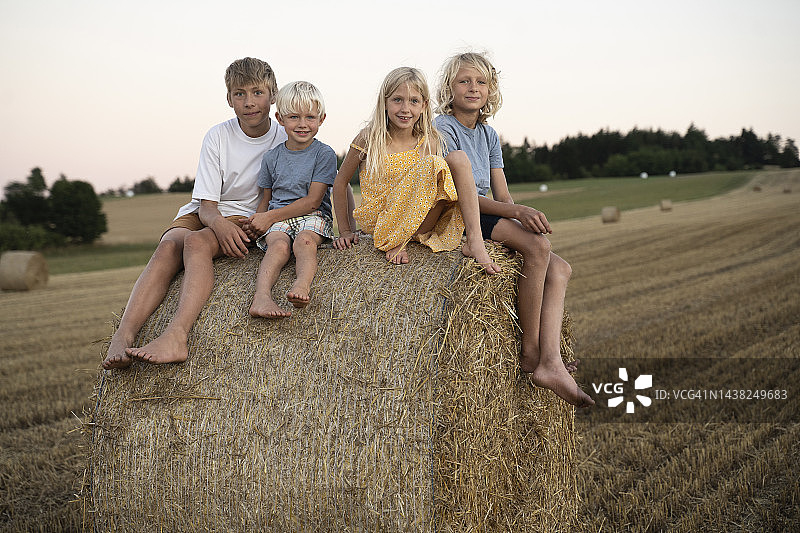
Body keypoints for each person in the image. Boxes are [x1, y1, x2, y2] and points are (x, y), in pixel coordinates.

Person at [101, 57, 287, 368]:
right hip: (208, 211)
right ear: (229, 99)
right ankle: (123, 336)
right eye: (239, 94)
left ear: (273, 94)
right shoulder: (218, 136)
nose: (249, 102)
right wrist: (220, 227)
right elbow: (207, 207)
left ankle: (176, 335)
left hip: (250, 216)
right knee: (168, 247)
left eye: (257, 92)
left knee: (194, 245)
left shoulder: (284, 135)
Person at [434, 52, 593, 407]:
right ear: (449, 88)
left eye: (480, 82)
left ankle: (550, 358)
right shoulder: (442, 128)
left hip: (486, 210)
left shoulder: (489, 136)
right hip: (458, 214)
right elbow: (465, 195)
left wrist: (524, 215)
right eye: (464, 81)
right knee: (537, 250)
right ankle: (531, 351)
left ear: (491, 90)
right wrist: (516, 211)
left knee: (560, 267)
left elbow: (502, 193)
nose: (473, 88)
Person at [331, 66, 500, 274]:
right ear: (384, 102)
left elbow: (434, 193)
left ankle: (475, 240)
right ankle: (395, 239)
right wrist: (345, 230)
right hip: (381, 222)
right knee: (434, 164)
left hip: (417, 222)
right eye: (397, 100)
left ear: (424, 105)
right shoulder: (369, 138)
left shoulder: (430, 140)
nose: (405, 109)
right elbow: (340, 183)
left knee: (457, 158)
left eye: (414, 101)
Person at [247, 81, 337, 318]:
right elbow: (266, 199)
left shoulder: (324, 154)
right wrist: (258, 221)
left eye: (310, 117)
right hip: (279, 217)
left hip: (313, 216)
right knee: (277, 246)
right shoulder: (271, 158)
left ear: (322, 118)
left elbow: (313, 201)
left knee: (304, 242)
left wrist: (268, 217)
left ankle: (301, 285)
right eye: (294, 117)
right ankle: (261, 297)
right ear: (280, 118)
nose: (303, 124)